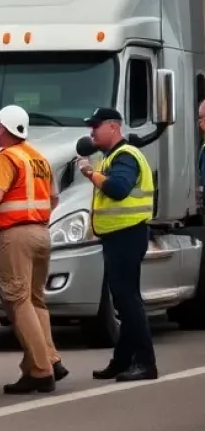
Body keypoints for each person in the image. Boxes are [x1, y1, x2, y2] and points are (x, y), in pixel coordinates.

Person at [0, 104, 67, 394]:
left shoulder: (5, 158)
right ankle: (49, 359)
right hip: (41, 234)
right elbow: (54, 200)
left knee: (17, 300)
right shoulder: (38, 158)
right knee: (36, 300)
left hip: (15, 236)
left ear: (6, 129)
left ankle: (41, 369)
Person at [76, 106, 158, 382]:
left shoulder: (125, 156)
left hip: (127, 235)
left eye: (96, 125)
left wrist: (89, 173)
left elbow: (118, 189)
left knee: (128, 301)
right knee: (124, 300)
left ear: (113, 126)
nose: (92, 131)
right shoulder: (112, 157)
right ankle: (122, 361)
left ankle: (146, 363)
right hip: (118, 236)